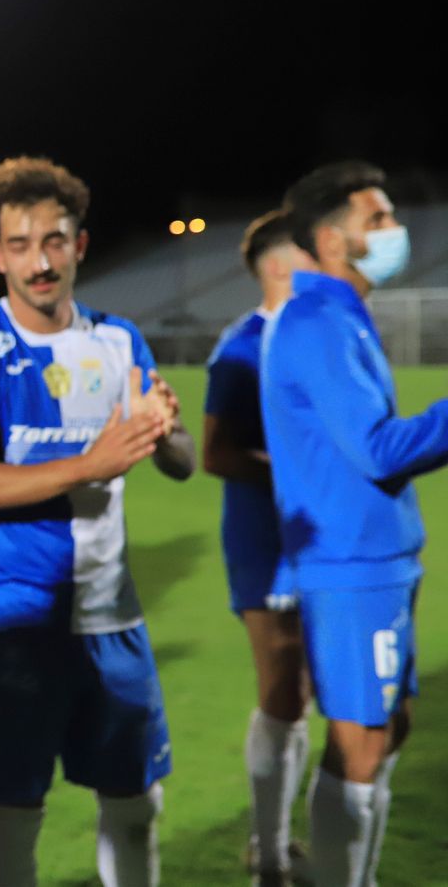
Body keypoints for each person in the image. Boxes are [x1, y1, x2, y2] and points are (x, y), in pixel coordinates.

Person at [0, 157, 195, 887]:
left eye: (55, 240)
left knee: (138, 805)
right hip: (20, 624)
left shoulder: (119, 340)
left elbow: (183, 460)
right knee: (15, 820)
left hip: (114, 616)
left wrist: (165, 432)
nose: (40, 261)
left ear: (80, 244)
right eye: (20, 245)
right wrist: (95, 460)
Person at [262, 161, 448, 887]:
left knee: (384, 730)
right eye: (379, 219)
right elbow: (375, 450)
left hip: (380, 559)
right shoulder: (313, 322)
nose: (395, 230)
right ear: (334, 240)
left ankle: (346, 876)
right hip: (350, 569)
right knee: (364, 743)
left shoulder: (340, 313)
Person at [202, 210, 315, 883]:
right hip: (262, 543)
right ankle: (267, 857)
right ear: (279, 265)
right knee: (280, 692)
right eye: (309, 254)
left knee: (300, 692)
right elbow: (215, 453)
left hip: (312, 539)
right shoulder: (242, 346)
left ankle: (275, 839)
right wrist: (299, 471)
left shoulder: (307, 338)